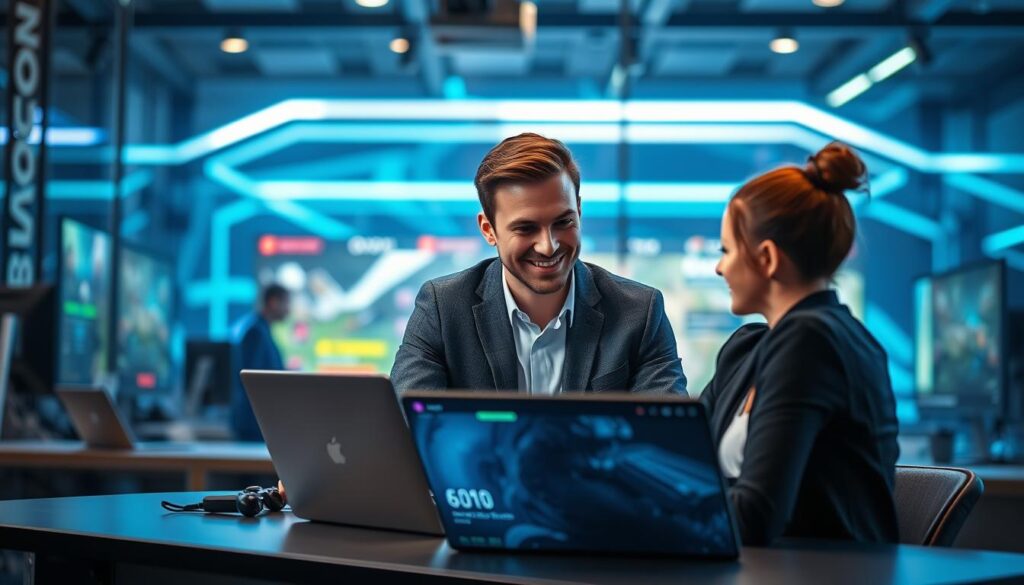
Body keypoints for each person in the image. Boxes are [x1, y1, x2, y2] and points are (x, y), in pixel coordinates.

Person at [701, 142, 900, 546]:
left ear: (767, 258)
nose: (719, 267)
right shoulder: (748, 348)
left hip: (822, 572)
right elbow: (685, 456)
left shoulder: (813, 341)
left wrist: (651, 504)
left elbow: (755, 516)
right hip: (765, 567)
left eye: (727, 250)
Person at [391, 133, 687, 395]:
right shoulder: (442, 309)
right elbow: (404, 426)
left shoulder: (640, 312)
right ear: (488, 230)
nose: (549, 246)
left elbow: (667, 434)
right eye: (526, 228)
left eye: (563, 222)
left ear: (579, 210)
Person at [230, 284, 291, 441]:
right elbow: (252, 380)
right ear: (273, 302)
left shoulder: (263, 331)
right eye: (286, 303)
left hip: (261, 421)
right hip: (254, 423)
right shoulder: (256, 332)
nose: (288, 310)